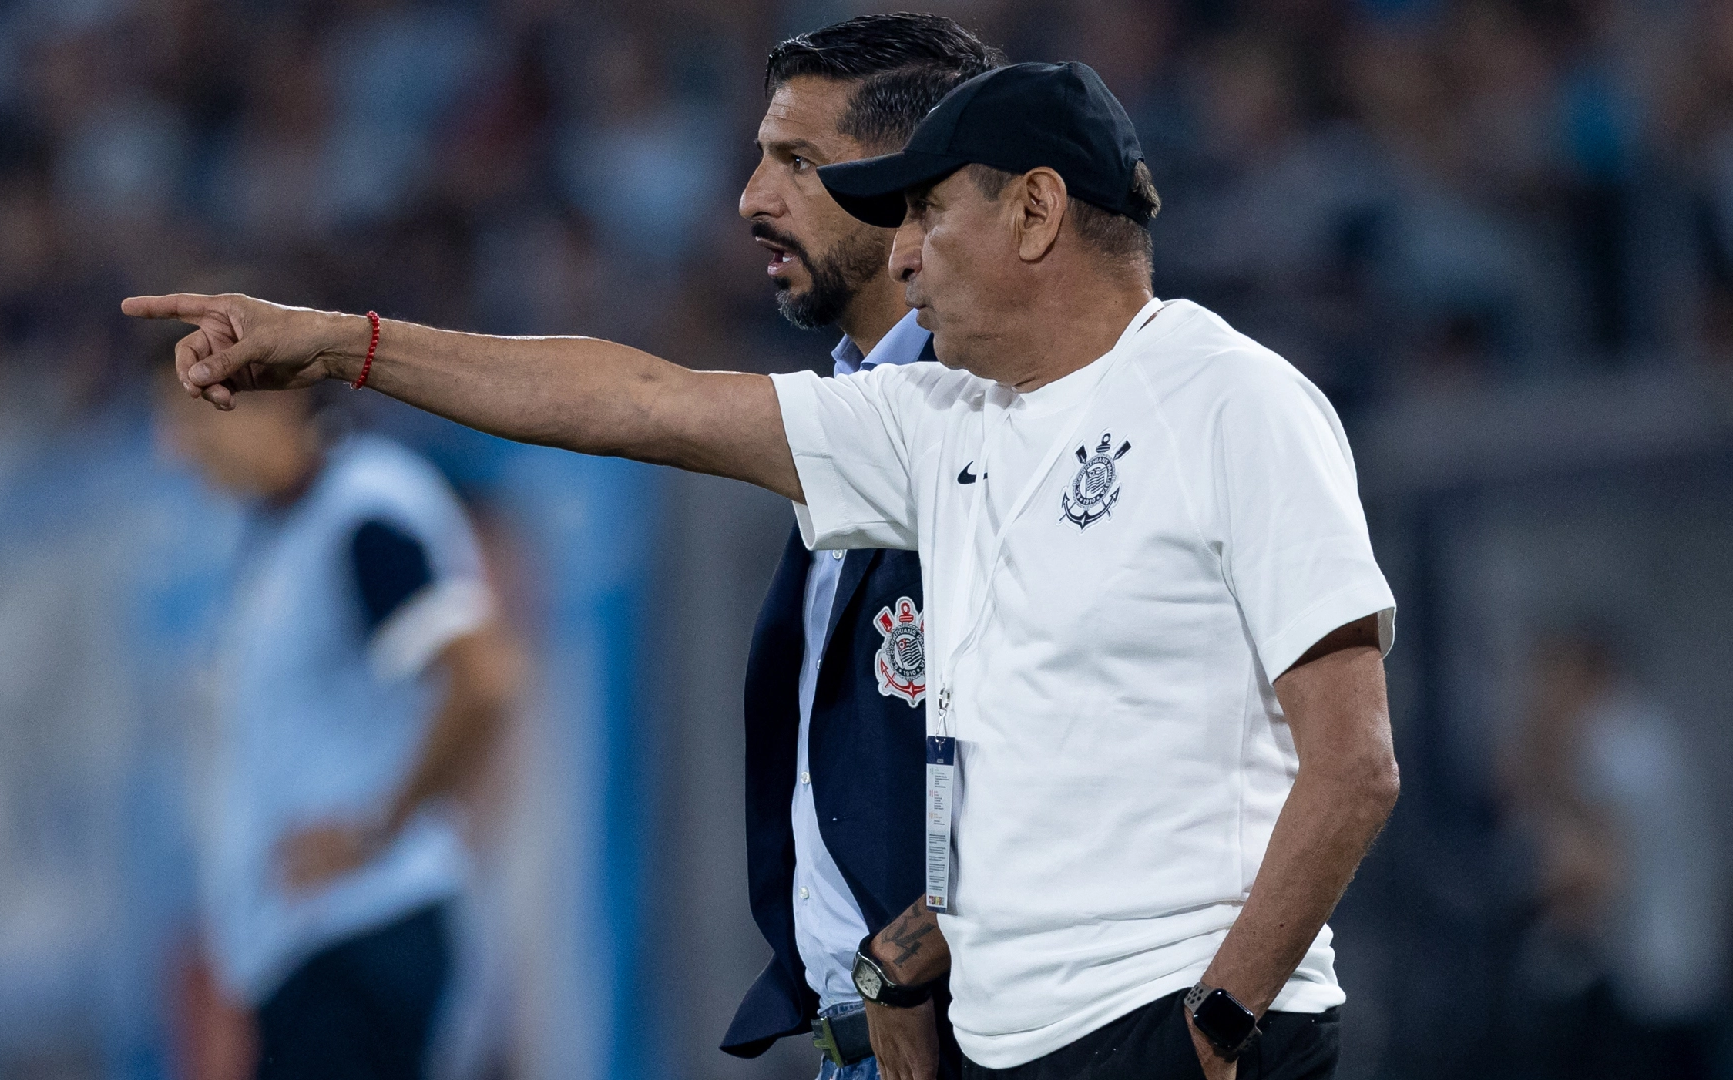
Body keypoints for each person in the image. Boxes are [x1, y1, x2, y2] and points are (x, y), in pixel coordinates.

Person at [127, 59, 1400, 1080]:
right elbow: (638, 400)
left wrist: (1223, 1021)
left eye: (927, 213)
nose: (905, 255)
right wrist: (348, 343)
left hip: (1174, 1025)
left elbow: (1353, 763)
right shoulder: (946, 420)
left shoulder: (1232, 401)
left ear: (1035, 211)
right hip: (1010, 1043)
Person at [727, 17, 998, 1080]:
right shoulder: (856, 400)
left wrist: (918, 947)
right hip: (860, 1047)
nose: (753, 198)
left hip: (983, 1041)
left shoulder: (999, 412)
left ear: (909, 184)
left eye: (798, 162)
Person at [153, 367, 519, 1080]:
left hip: (358, 939)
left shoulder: (361, 513)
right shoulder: (280, 528)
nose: (179, 449)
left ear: (276, 398)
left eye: (194, 418)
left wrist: (380, 828)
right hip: (311, 951)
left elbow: (484, 681)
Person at [1497, 630, 1725, 1080]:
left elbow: (1594, 869)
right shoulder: (1644, 733)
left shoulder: (1611, 741)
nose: (1539, 695)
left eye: (1550, 678)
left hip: (1648, 983)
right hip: (1677, 969)